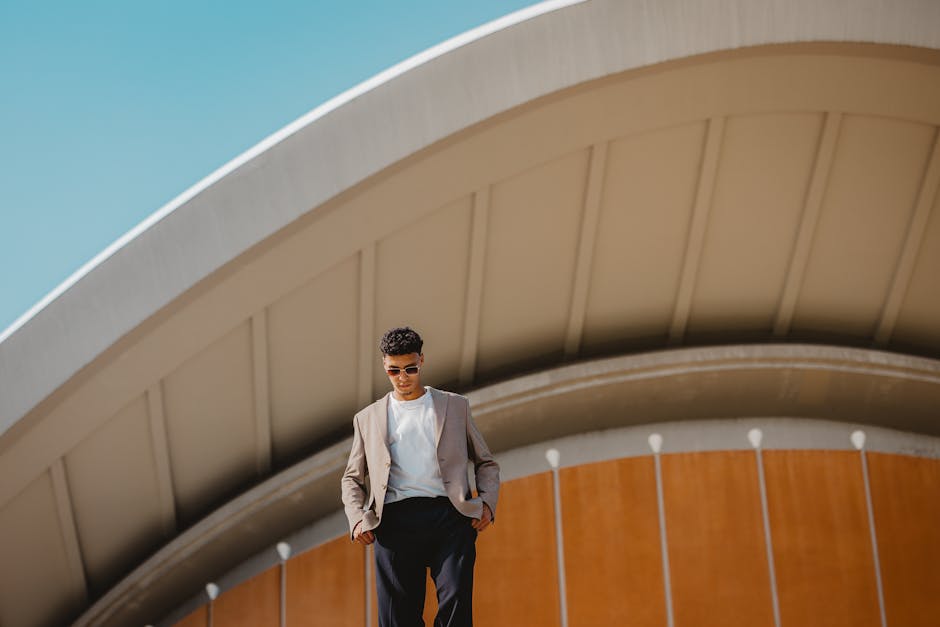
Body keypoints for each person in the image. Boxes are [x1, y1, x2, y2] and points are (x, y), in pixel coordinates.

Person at [341, 326, 500, 627]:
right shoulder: (368, 418)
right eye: (394, 370)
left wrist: (488, 503)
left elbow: (486, 462)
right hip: (394, 521)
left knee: (456, 608)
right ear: (384, 366)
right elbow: (351, 478)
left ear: (422, 361)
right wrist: (357, 517)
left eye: (410, 368)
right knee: (397, 619)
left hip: (450, 517)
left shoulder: (454, 406)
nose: (403, 377)